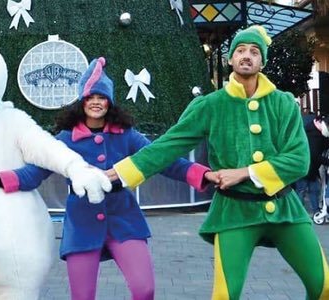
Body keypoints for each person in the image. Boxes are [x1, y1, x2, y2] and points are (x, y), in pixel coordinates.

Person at [107, 25, 329, 298]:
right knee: (225, 295)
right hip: (234, 212)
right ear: (230, 59)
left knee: (323, 286)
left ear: (263, 61)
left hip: (285, 210)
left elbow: (299, 160)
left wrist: (243, 172)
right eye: (240, 50)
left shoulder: (283, 103)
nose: (247, 55)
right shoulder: (211, 105)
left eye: (254, 51)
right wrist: (123, 171)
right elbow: (169, 145)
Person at [0, 57, 211, 300]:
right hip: (82, 223)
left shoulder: (126, 135)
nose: (96, 102)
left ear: (110, 103)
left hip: (123, 220)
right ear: (82, 102)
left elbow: (162, 159)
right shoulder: (65, 140)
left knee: (144, 289)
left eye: (102, 97)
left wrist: (204, 174)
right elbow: (34, 173)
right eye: (90, 97)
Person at [294, 111, 326, 214]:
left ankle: (302, 211)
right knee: (309, 190)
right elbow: (315, 155)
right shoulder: (315, 136)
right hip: (307, 168)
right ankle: (311, 210)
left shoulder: (310, 131)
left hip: (305, 167)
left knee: (304, 190)